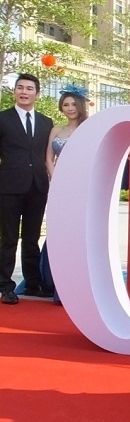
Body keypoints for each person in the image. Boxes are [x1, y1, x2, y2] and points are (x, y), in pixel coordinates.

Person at [0, 73, 54, 304]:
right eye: (20, 87)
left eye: (29, 88)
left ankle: (33, 283)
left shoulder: (46, 122)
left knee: (32, 238)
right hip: (9, 187)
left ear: (37, 94)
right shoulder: (3, 119)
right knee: (9, 238)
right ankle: (6, 287)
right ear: (14, 91)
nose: (24, 92)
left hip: (37, 187)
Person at [41, 85, 91, 302]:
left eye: (73, 104)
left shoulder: (89, 128)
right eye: (65, 104)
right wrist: (57, 181)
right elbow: (48, 159)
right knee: (59, 231)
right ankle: (55, 283)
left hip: (81, 186)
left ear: (80, 106)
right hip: (58, 189)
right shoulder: (56, 130)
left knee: (77, 233)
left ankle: (77, 285)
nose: (69, 108)